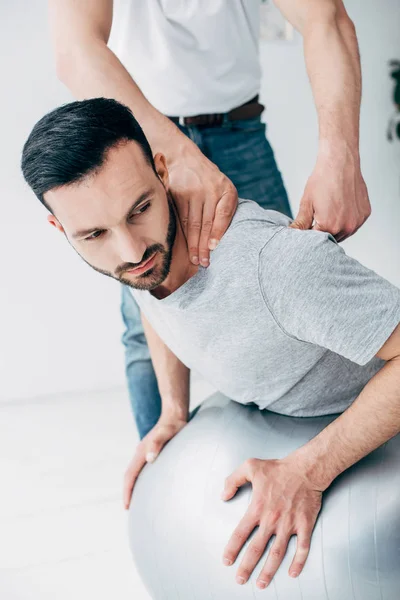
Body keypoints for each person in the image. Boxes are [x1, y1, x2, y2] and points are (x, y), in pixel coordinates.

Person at [21, 98, 400, 590]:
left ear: (162, 172)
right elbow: (152, 302)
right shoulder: (134, 256)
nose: (130, 250)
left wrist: (310, 470)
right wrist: (173, 411)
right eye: (94, 233)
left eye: (140, 209)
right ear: (61, 229)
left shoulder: (272, 265)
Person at [48, 0, 371, 439]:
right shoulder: (154, 170)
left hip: (240, 131)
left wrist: (341, 155)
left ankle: (320, 467)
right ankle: (161, 453)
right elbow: (74, 47)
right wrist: (175, 154)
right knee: (145, 292)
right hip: (139, 141)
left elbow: (324, 16)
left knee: (288, 301)